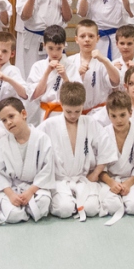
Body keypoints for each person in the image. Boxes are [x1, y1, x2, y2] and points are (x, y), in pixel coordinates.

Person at [42, 82, 115, 220]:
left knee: (91, 209)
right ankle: (66, 201)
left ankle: (78, 201)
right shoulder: (49, 125)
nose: (73, 115)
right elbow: (36, 148)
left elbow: (106, 148)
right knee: (64, 209)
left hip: (83, 179)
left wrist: (96, 173)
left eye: (78, 111)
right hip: (60, 180)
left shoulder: (90, 123)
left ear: (83, 105)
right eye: (68, 111)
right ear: (61, 104)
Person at [0, 98, 55, 224]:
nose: (8, 122)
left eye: (11, 116)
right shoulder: (3, 143)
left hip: (35, 187)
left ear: (23, 114)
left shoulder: (42, 139)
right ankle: (22, 209)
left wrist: (30, 192)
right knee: (13, 215)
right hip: (12, 188)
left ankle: (26, 207)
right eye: (4, 120)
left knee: (43, 202)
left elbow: (47, 169)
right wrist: (11, 195)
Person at [96, 91, 134, 218]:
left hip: (131, 180)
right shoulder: (103, 135)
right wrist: (111, 182)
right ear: (108, 115)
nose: (118, 120)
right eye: (113, 116)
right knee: (113, 207)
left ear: (130, 112)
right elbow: (99, 166)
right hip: (109, 180)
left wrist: (128, 183)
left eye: (122, 115)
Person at [69, 19, 122, 116]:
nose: (87, 39)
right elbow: (62, 89)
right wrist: (77, 73)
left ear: (97, 38)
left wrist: (105, 61)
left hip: (99, 114)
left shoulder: (103, 61)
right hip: (75, 114)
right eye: (82, 36)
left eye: (91, 36)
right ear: (76, 39)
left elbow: (115, 82)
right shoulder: (69, 62)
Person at [26, 24, 71, 127]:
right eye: (51, 48)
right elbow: (35, 94)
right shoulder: (38, 66)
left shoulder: (70, 65)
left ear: (64, 45)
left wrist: (65, 76)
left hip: (65, 114)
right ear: (44, 45)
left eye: (59, 48)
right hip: (44, 113)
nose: (54, 53)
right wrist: (47, 72)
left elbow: (74, 95)